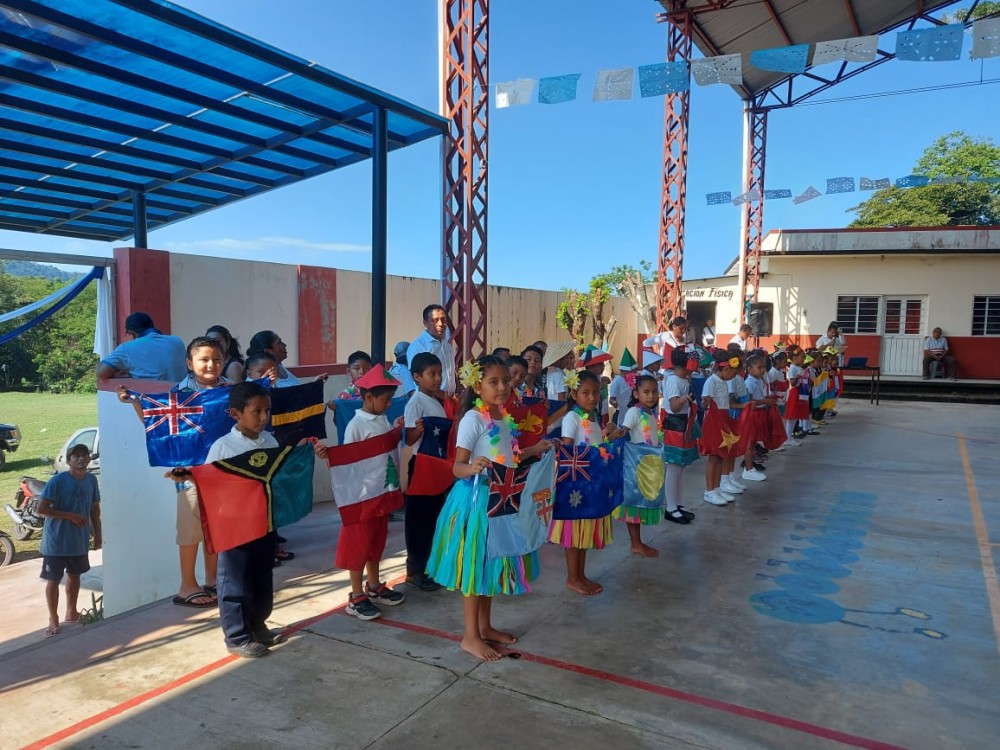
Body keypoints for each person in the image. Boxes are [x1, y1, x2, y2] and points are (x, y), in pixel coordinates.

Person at [427, 355, 554, 661]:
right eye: (493, 382)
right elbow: (457, 466)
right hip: (478, 501)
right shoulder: (474, 419)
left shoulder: (503, 416)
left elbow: (509, 457)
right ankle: (470, 636)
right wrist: (472, 468)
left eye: (505, 381)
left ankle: (485, 626)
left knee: (491, 562)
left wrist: (533, 450)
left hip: (501, 500)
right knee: (476, 564)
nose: (502, 387)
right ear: (477, 386)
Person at [201, 381, 325, 657]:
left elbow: (279, 473)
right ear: (235, 414)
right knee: (234, 581)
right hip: (235, 527)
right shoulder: (223, 447)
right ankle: (236, 636)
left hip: (265, 521)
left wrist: (301, 450)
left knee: (261, 575)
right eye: (256, 411)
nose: (263, 417)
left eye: (267, 410)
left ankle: (258, 626)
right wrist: (188, 476)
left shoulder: (269, 441)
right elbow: (208, 483)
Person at [119, 336, 233, 608]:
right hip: (189, 472)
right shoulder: (178, 394)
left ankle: (213, 579)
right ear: (189, 363)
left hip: (222, 469)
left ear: (224, 361)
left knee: (216, 526)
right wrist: (136, 402)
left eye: (217, 359)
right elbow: (157, 422)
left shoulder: (232, 390)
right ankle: (187, 585)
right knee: (190, 527)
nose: (211, 365)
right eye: (203, 360)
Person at [340, 367, 407, 621]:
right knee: (359, 544)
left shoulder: (381, 419)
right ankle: (356, 595)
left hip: (380, 494)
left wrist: (395, 430)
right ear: (368, 398)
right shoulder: (356, 425)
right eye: (385, 399)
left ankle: (374, 584)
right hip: (362, 496)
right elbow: (350, 459)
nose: (389, 404)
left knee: (376, 541)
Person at [550, 370, 614, 595]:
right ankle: (572, 577)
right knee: (574, 532)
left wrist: (608, 439)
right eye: (585, 393)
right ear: (573, 394)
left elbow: (595, 447)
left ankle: (580, 574)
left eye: (596, 392)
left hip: (591, 483)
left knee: (583, 531)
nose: (592, 397)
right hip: (576, 484)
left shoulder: (592, 419)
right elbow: (568, 450)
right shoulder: (572, 418)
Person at [37, 443, 101, 637]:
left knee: (75, 575)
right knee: (54, 580)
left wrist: (98, 533)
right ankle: (53, 618)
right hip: (56, 542)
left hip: (78, 540)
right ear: (69, 460)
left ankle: (71, 613)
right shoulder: (57, 481)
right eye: (76, 455)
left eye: (84, 455)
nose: (80, 458)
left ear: (89, 458)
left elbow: (94, 509)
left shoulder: (91, 480)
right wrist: (70, 516)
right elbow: (41, 509)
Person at [402, 352, 450, 591]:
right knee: (418, 519)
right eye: (432, 374)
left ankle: (430, 566)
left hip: (436, 465)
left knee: (433, 517)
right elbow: (409, 439)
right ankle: (415, 570)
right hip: (420, 464)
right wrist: (418, 431)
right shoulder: (416, 402)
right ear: (417, 377)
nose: (438, 378)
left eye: (439, 373)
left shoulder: (436, 400)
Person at [612, 374, 665, 556]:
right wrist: (614, 433)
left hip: (649, 464)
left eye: (654, 392)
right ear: (636, 394)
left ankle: (638, 542)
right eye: (646, 392)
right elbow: (624, 431)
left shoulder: (650, 413)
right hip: (636, 465)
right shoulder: (634, 412)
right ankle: (636, 543)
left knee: (641, 501)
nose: (651, 396)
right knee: (634, 502)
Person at [661, 348, 700, 524]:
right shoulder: (673, 381)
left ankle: (678, 504)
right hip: (675, 425)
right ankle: (671, 507)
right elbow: (674, 407)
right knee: (674, 466)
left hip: (685, 424)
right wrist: (683, 399)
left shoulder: (683, 380)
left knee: (681, 467)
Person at [97, 312, 186, 382]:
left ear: (131, 332)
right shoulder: (177, 341)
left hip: (151, 398)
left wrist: (115, 374)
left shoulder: (127, 348)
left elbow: (101, 373)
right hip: (183, 397)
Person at [701, 351, 740, 506]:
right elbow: (705, 403)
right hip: (714, 421)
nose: (734, 376)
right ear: (726, 369)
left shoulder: (723, 381)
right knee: (714, 457)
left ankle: (717, 488)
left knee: (721, 456)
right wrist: (706, 401)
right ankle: (709, 491)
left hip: (723, 419)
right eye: (733, 373)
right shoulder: (711, 381)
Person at [740, 354, 776, 483]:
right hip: (752, 414)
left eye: (764, 367)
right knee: (749, 443)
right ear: (749, 369)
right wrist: (765, 401)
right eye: (759, 367)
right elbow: (749, 400)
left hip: (759, 412)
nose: (763, 370)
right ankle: (748, 469)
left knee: (753, 442)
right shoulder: (749, 382)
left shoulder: (759, 380)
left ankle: (751, 465)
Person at [407, 304, 456, 396]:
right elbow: (419, 380)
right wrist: (443, 396)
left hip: (449, 399)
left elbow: (450, 372)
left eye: (443, 320)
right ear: (425, 323)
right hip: (429, 398)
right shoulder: (418, 346)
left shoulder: (448, 345)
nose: (441, 324)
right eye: (435, 320)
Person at [609, 348, 636, 427]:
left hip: (631, 412)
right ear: (625, 371)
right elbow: (612, 399)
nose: (634, 373)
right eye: (632, 371)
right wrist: (616, 404)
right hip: (620, 413)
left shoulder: (633, 380)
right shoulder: (617, 382)